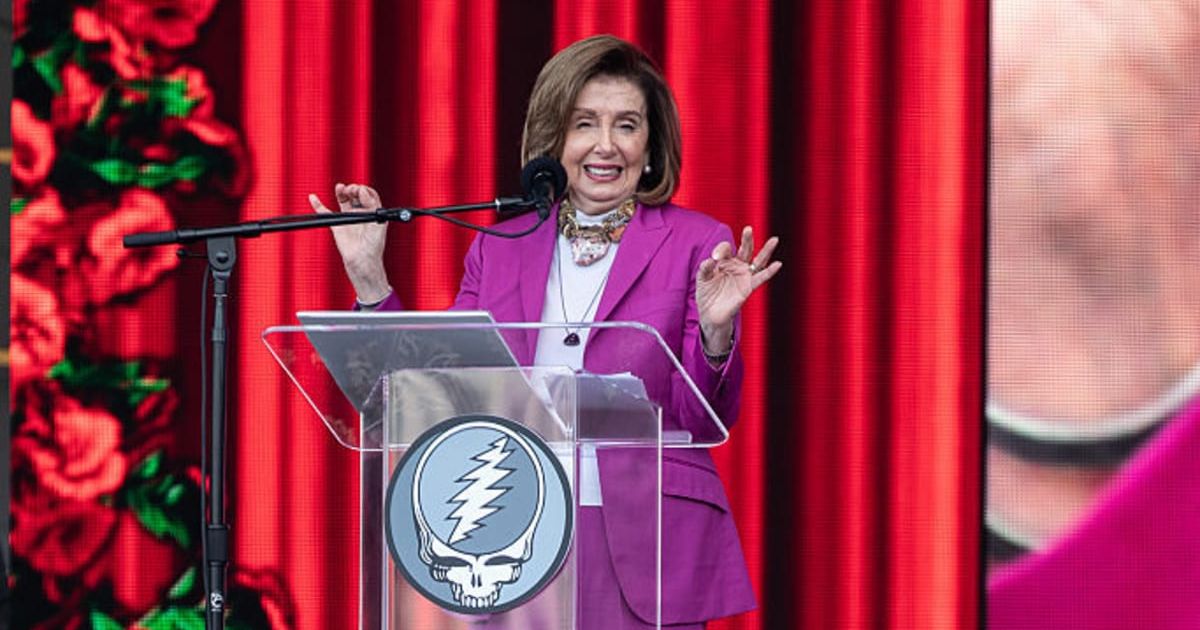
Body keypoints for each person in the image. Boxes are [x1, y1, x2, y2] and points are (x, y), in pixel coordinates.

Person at [310, 35, 780, 628]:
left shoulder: (695, 243)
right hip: (514, 538)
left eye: (627, 125)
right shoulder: (501, 248)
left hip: (643, 543)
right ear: (554, 139)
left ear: (652, 146)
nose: (605, 145)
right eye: (585, 123)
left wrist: (717, 330)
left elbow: (700, 416)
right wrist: (370, 278)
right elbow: (440, 395)